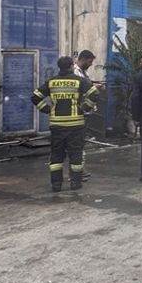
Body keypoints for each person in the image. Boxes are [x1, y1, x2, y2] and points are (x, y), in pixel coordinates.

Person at [32, 56, 98, 192]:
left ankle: (56, 185)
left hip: (57, 125)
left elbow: (35, 97)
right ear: (71, 66)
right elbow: (94, 94)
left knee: (56, 156)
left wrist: (47, 110)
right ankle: (75, 183)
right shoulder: (79, 81)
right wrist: (84, 108)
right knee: (75, 155)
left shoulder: (51, 82)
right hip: (76, 125)